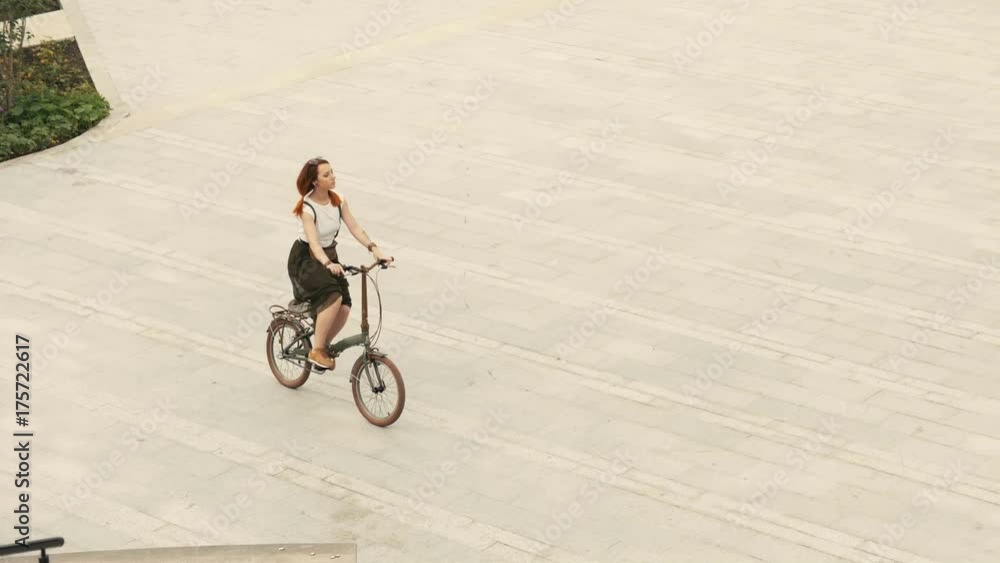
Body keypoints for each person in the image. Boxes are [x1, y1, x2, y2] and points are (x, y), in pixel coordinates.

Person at [287, 157, 392, 369]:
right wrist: (328, 263)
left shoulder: (338, 200)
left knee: (344, 305)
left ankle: (322, 344)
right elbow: (315, 245)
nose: (333, 177)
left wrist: (375, 250)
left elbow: (355, 227)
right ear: (315, 182)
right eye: (326, 175)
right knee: (333, 296)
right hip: (306, 260)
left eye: (332, 172)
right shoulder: (307, 208)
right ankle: (316, 351)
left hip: (328, 257)